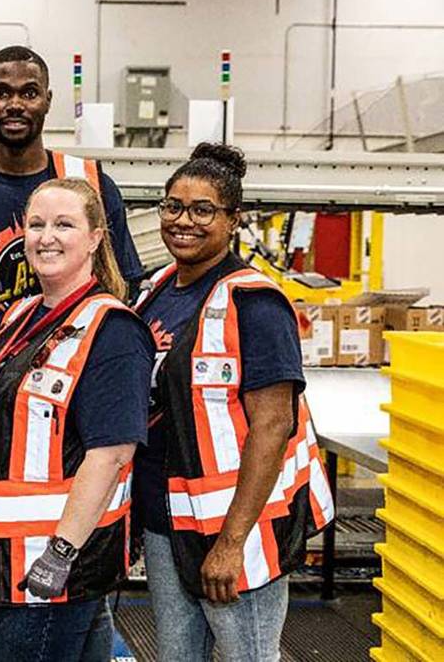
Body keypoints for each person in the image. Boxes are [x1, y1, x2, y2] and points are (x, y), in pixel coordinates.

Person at [132, 143, 335, 661]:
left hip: (233, 528)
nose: (185, 221)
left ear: (232, 220)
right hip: (165, 518)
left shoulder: (254, 302)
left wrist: (231, 543)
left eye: (203, 210)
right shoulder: (153, 292)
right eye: (173, 206)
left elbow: (274, 426)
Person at [0, 178, 153, 662]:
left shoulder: (111, 330)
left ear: (95, 237)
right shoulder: (22, 315)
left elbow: (112, 453)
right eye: (36, 225)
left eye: (64, 224)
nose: (46, 236)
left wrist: (62, 553)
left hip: (49, 571)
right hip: (6, 562)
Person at [0, 45, 144, 345]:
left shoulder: (93, 187)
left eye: (29, 93)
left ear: (48, 100)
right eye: (1, 93)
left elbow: (123, 287)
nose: (15, 104)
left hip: (81, 372)